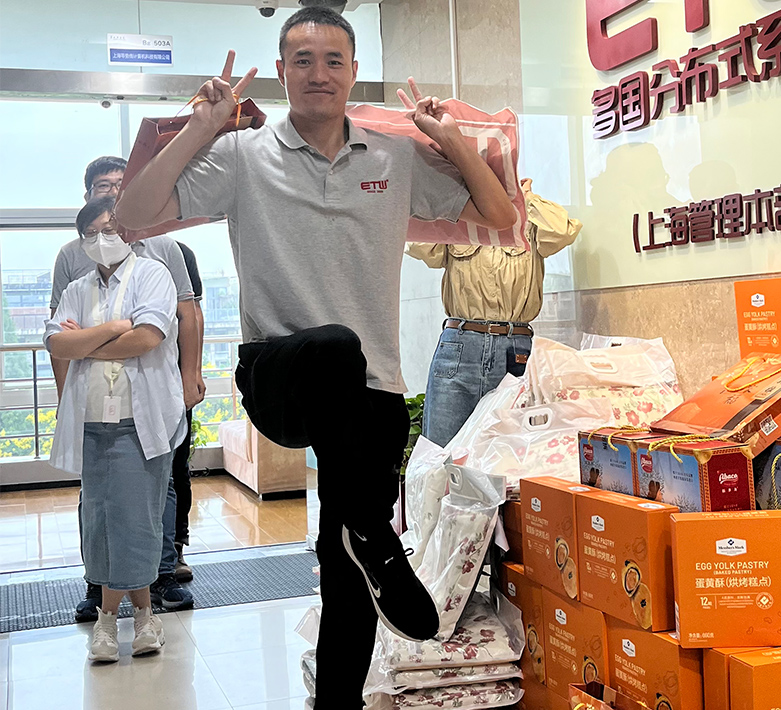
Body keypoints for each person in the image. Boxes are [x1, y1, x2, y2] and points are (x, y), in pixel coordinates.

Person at [115, 8, 516, 705]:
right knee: (334, 346)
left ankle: (342, 675)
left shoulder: (392, 159)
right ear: (281, 72)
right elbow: (133, 215)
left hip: (371, 392)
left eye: (333, 60)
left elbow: (502, 217)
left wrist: (451, 139)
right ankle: (374, 535)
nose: (319, 73)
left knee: (348, 566)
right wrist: (202, 128)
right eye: (303, 60)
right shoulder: (244, 156)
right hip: (280, 375)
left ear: (354, 71)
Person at [50, 156, 200, 620]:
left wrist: (190, 374)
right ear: (87, 195)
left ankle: (162, 573)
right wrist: (66, 394)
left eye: (121, 185)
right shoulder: (72, 257)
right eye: (103, 186)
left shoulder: (164, 249)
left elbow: (182, 316)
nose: (113, 193)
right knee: (97, 495)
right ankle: (100, 586)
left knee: (162, 483)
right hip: (94, 400)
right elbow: (57, 338)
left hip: (156, 389)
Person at [407, 178, 582, 446]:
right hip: (460, 346)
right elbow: (418, 242)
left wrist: (525, 199)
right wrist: (450, 199)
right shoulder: (456, 213)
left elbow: (563, 232)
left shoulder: (528, 216)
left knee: (513, 451)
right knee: (440, 450)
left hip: (515, 347)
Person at [172, 240, 204, 580]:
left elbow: (193, 314)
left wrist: (192, 373)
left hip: (173, 378)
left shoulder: (180, 252)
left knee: (177, 465)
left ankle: (176, 547)